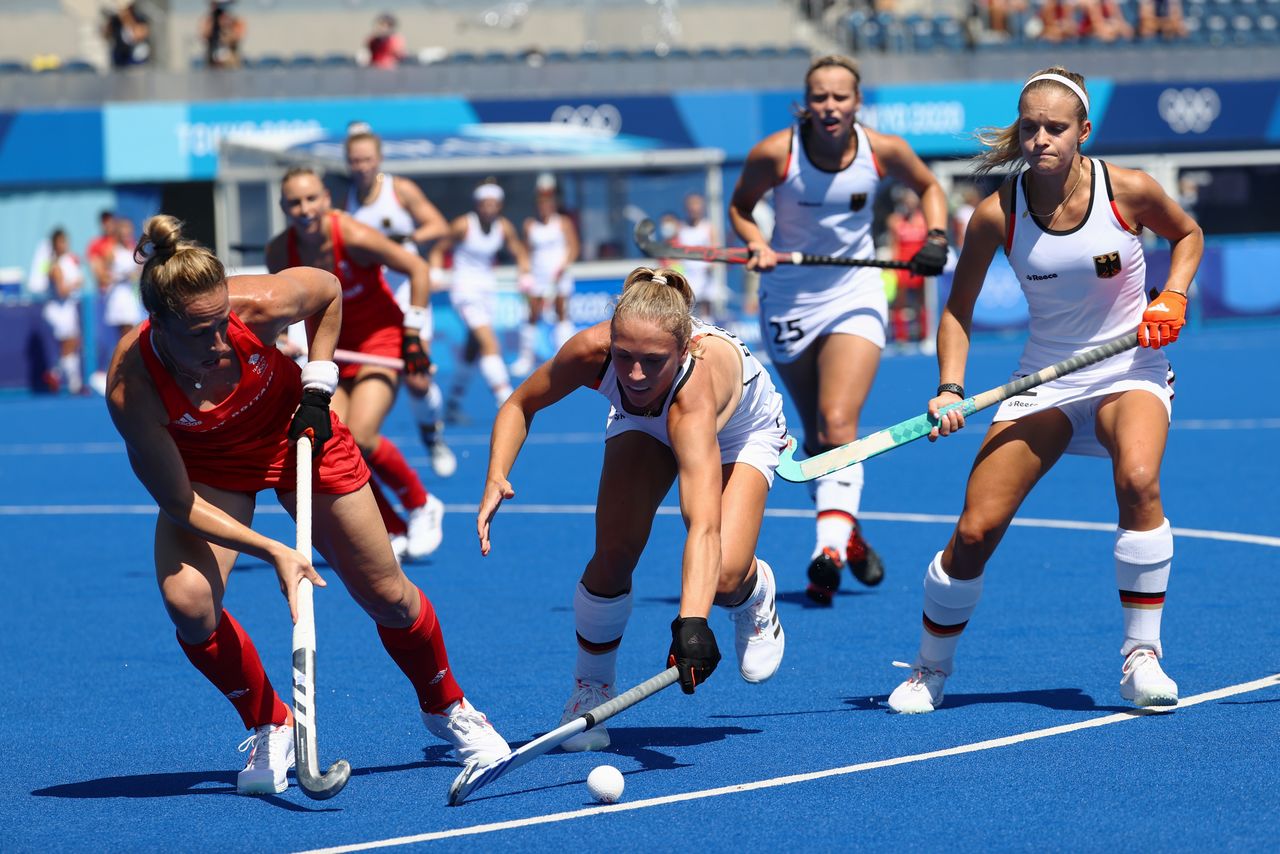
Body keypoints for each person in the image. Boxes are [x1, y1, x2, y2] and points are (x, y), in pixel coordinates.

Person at [104, 215, 509, 795]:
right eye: (199, 333)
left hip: (297, 434)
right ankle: (269, 722)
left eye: (223, 324)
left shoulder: (259, 304)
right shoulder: (131, 386)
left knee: (387, 595)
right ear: (159, 325)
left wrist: (319, 387)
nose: (220, 344)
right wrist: (275, 552)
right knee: (189, 602)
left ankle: (448, 706)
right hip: (209, 471)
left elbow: (328, 290)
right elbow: (178, 500)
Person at [886, 68, 1202, 714]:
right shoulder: (995, 215)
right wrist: (949, 387)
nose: (1039, 140)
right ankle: (929, 669)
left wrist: (1172, 294)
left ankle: (1141, 658)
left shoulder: (1129, 191)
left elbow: (1189, 236)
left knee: (1139, 480)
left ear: (1084, 131)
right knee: (975, 530)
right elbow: (956, 311)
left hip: (1128, 369)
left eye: (1055, 128)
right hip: (1046, 376)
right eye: (1029, 128)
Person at [479, 267, 788, 750]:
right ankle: (590, 691)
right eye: (624, 357)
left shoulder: (693, 399)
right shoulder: (591, 353)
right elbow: (520, 404)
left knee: (724, 575)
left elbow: (702, 527)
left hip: (740, 431)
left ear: (683, 351)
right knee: (614, 551)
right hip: (644, 422)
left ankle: (755, 592)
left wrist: (692, 624)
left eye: (652, 360)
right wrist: (496, 472)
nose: (636, 374)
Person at [728, 54, 950, 605]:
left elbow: (930, 187)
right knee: (821, 441)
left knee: (838, 421)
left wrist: (936, 237)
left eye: (840, 97)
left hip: (855, 292)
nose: (830, 107)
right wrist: (756, 242)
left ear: (857, 102)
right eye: (820, 98)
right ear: (805, 104)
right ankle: (847, 532)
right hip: (788, 299)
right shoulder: (776, 153)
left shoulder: (884, 150)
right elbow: (740, 208)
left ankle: (825, 552)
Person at [266, 166, 444, 561]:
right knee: (331, 444)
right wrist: (281, 339)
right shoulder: (280, 251)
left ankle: (421, 504)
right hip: (328, 349)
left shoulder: (352, 234)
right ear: (283, 207)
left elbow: (417, 268)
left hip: (379, 340)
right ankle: (392, 529)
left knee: (362, 434)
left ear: (326, 200)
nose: (304, 208)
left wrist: (412, 335)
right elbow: (278, 310)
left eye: (312, 199)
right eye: (294, 202)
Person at [344, 128, 457, 478]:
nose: (361, 166)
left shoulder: (400, 190)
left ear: (378, 159)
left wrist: (405, 238)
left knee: (418, 380)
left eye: (366, 159)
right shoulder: (344, 198)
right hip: (372, 306)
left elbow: (438, 225)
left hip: (410, 295)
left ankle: (432, 436)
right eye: (354, 160)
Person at [428, 180, 532, 422]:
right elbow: (437, 250)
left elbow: (518, 250)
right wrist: (435, 271)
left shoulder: (503, 227)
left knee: (472, 349)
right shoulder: (463, 225)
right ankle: (507, 401)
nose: (489, 208)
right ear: (477, 205)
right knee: (489, 344)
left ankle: (452, 405)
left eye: (494, 204)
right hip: (464, 291)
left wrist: (525, 272)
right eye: (485, 204)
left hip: (487, 292)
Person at [511, 173, 581, 378]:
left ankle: (566, 356)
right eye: (541, 205)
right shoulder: (530, 225)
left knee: (561, 312)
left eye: (548, 204)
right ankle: (526, 358)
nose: (544, 208)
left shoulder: (563, 223)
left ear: (553, 205)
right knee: (532, 314)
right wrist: (524, 272)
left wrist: (563, 267)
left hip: (559, 275)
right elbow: (525, 252)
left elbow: (574, 247)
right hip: (538, 276)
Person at [41, 229, 86, 395]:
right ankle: (74, 384)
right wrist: (76, 283)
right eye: (60, 242)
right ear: (55, 245)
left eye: (65, 241)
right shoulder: (55, 266)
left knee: (73, 344)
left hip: (67, 308)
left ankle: (55, 374)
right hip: (59, 311)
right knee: (69, 345)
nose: (64, 245)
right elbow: (61, 291)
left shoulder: (69, 261)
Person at [887, 187, 929, 345]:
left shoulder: (924, 220)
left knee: (923, 301)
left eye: (913, 201)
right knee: (900, 302)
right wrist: (894, 267)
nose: (910, 204)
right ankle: (901, 337)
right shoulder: (895, 221)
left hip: (920, 265)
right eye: (907, 201)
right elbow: (894, 245)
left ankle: (924, 334)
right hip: (903, 265)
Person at [677, 192, 725, 322]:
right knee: (686, 310)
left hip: (705, 275)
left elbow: (716, 250)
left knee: (706, 312)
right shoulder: (680, 228)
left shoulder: (708, 227)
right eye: (691, 205)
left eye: (697, 205)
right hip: (687, 274)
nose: (694, 209)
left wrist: (711, 266)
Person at [104, 218, 145, 344]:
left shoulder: (135, 251)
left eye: (128, 232)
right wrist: (122, 276)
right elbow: (105, 276)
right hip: (119, 296)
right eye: (123, 232)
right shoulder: (112, 251)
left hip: (132, 295)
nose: (126, 235)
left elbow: (141, 270)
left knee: (134, 331)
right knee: (125, 333)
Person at [102, 1, 151, 68]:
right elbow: (106, 36)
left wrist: (125, 18)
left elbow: (138, 35)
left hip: (135, 55)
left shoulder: (139, 18)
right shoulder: (115, 21)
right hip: (120, 54)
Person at [201, 0, 246, 69]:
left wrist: (227, 29)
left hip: (231, 65)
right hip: (213, 66)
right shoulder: (209, 21)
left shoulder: (236, 22)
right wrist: (213, 23)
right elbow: (204, 35)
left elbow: (238, 36)